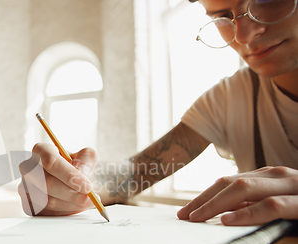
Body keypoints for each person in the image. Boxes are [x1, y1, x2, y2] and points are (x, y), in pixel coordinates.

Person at [18, 0, 298, 226]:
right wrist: (71, 182)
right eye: (223, 16)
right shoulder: (229, 99)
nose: (244, 35)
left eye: (266, 0)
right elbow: (135, 173)